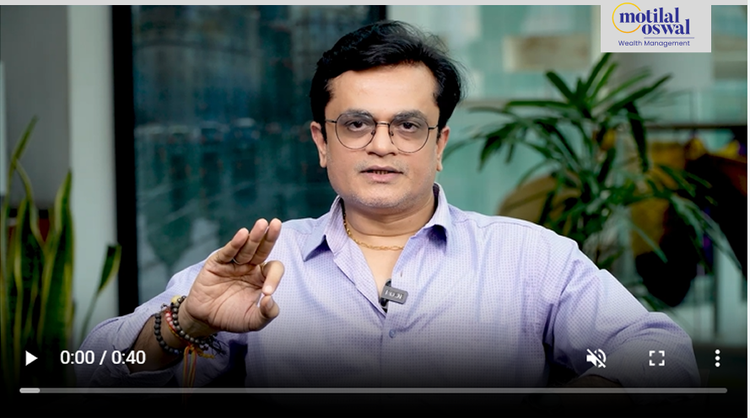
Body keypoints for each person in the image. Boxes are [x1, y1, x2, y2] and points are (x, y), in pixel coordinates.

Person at [77, 20, 699, 410]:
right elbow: (95, 369)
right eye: (355, 124)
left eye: (407, 125)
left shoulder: (532, 257)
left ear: (440, 143)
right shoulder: (261, 264)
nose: (381, 145)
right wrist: (183, 323)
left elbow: (662, 355)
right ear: (321, 142)